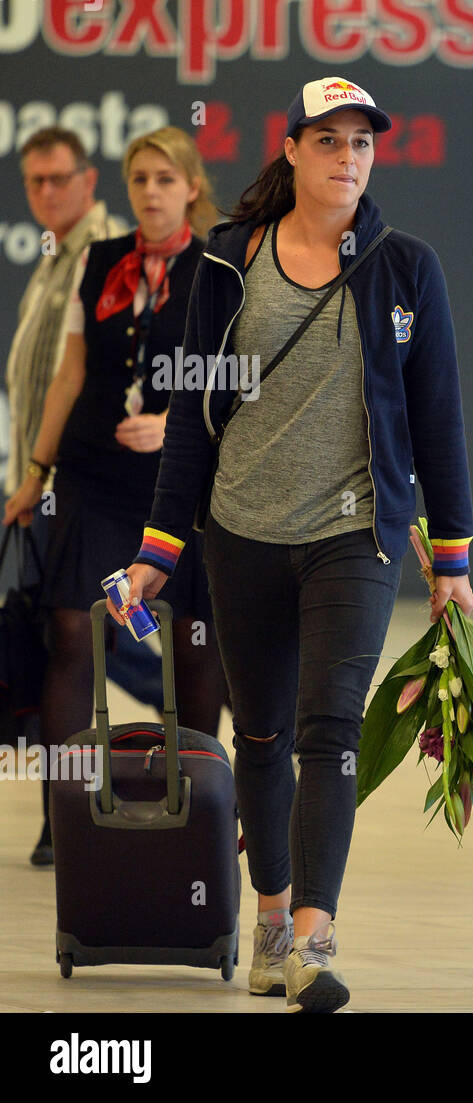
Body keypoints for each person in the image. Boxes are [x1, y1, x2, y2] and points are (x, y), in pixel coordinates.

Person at [107, 78, 473, 1013]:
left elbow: (440, 422)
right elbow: (193, 422)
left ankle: (314, 937)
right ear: (292, 152)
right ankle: (267, 923)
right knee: (261, 737)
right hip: (240, 533)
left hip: (356, 532)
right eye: (329, 141)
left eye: (363, 143)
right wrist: (159, 548)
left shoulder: (406, 268)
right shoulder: (226, 264)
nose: (348, 158)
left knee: (330, 731)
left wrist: (455, 562)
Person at [4, 128, 224, 864]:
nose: (152, 191)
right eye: (140, 180)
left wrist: (173, 425)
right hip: (93, 474)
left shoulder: (221, 266)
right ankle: (65, 813)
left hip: (181, 481)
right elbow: (69, 375)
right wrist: (36, 471)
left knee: (192, 642)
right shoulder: (100, 261)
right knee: (70, 631)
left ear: (191, 186)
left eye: (166, 178)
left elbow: (239, 377)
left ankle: (190, 805)